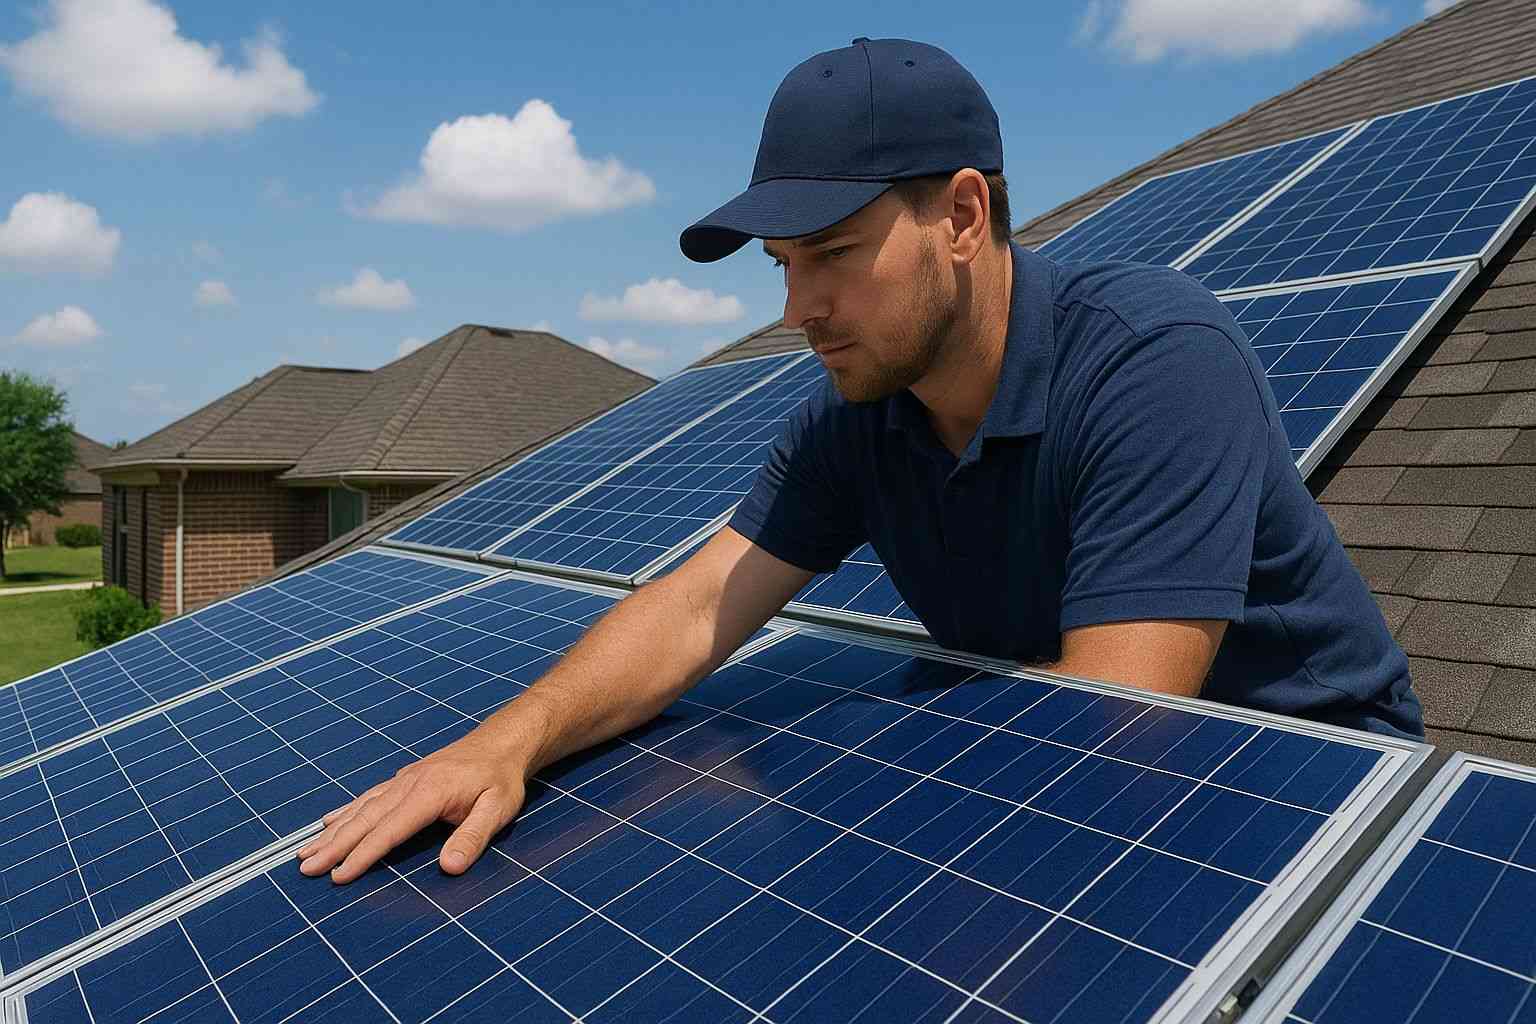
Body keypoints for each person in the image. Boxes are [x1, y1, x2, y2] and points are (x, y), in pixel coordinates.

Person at [297, 37, 1422, 885]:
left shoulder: (1154, 362)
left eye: (833, 253)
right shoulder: (859, 412)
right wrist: (505, 743)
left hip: (1302, 796)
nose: (799, 308)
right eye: (783, 265)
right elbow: (695, 607)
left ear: (965, 215)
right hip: (1055, 761)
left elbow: (1115, 738)